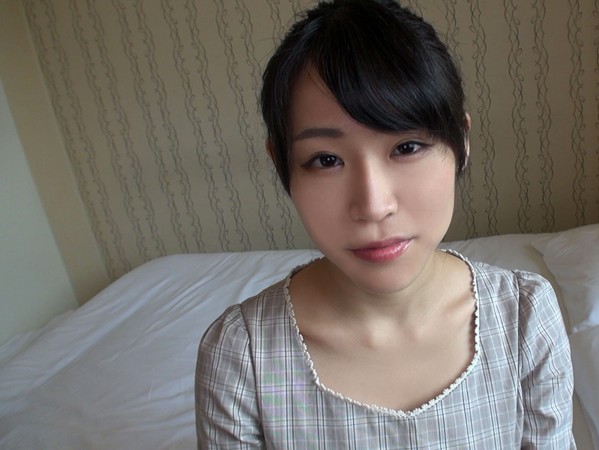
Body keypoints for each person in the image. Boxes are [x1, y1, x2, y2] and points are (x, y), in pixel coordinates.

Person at [194, 0, 575, 448]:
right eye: (326, 160)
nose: (373, 206)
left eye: (407, 147)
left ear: (461, 141)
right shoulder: (243, 357)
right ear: (282, 164)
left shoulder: (524, 317)